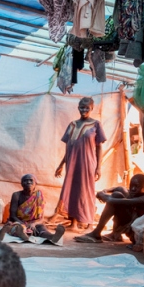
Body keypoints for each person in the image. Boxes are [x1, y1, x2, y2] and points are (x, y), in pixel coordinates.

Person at [55, 97, 107, 230]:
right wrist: (61, 165)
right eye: (81, 108)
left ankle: (89, 222)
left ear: (92, 109)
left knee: (86, 191)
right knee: (72, 190)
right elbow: (69, 147)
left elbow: (99, 147)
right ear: (78, 108)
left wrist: (99, 167)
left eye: (87, 108)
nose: (84, 110)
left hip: (88, 162)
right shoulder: (72, 124)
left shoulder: (95, 124)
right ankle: (74, 223)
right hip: (71, 163)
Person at [75, 174, 144, 243]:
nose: (133, 189)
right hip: (138, 226)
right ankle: (115, 235)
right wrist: (105, 190)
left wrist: (102, 194)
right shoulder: (139, 193)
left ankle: (97, 233)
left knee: (116, 198)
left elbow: (111, 200)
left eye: (136, 186)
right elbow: (120, 188)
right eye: (131, 185)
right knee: (118, 194)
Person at [0, 175, 66, 243]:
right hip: (19, 221)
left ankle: (52, 237)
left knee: (41, 228)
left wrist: (34, 224)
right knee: (18, 227)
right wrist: (24, 224)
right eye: (25, 180)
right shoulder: (16, 195)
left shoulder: (39, 195)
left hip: (33, 222)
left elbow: (41, 218)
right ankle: (22, 234)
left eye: (31, 180)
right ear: (21, 183)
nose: (28, 182)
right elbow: (13, 216)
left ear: (35, 184)